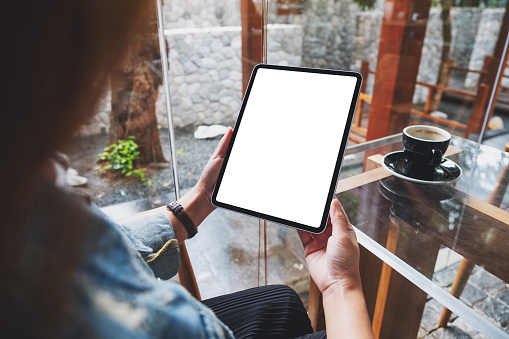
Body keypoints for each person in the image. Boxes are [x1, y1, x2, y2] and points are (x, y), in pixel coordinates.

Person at [0, 1, 374, 338]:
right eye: (106, 41)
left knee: (283, 301)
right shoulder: (152, 323)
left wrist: (197, 202)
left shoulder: (25, 197)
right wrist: (342, 284)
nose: (119, 59)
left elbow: (99, 244)